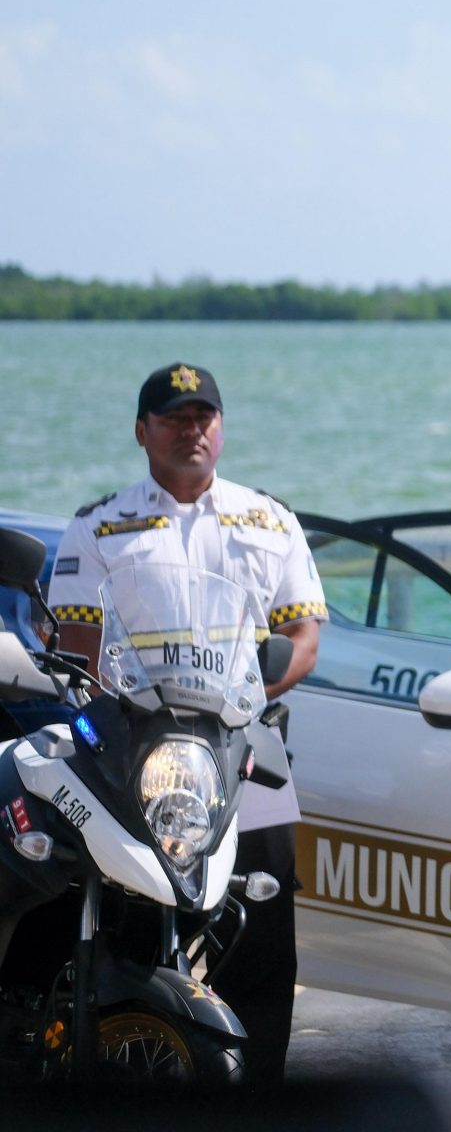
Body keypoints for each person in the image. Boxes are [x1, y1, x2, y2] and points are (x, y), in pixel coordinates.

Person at [47, 362, 327, 1083]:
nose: (191, 428)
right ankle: (103, 1052)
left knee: (265, 906)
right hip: (137, 739)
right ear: (143, 432)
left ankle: (258, 1088)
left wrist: (253, 690)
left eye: (203, 416)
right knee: (110, 895)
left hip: (242, 738)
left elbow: (303, 638)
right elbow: (76, 646)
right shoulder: (98, 524)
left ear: (221, 429)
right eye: (174, 417)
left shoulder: (269, 519)